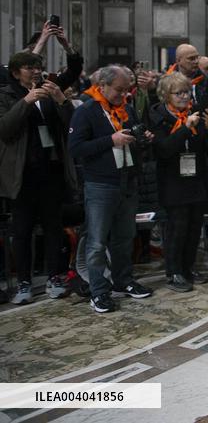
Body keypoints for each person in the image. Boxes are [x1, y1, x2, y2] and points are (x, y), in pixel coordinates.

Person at [69, 65, 155, 314]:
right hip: (101, 184)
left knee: (124, 237)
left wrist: (143, 138)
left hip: (127, 180)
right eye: (119, 90)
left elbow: (133, 138)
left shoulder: (126, 109)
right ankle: (98, 291)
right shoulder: (87, 111)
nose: (123, 95)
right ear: (103, 86)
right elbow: (76, 149)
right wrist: (110, 140)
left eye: (126, 90)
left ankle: (123, 280)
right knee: (96, 241)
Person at [0, 52, 78, 304]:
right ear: (15, 72)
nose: (35, 71)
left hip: (51, 171)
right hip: (22, 175)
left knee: (53, 229)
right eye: (28, 68)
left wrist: (62, 101)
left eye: (38, 67)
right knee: (21, 231)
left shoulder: (49, 92)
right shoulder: (7, 95)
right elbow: (5, 129)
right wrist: (26, 101)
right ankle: (24, 282)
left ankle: (54, 276)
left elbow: (71, 128)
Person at [150, 73, 208, 291]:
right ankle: (174, 272)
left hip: (196, 179)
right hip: (173, 182)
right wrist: (184, 128)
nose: (183, 97)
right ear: (165, 95)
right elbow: (164, 149)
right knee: (177, 229)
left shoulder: (194, 113)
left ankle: (189, 267)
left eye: (186, 92)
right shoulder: (158, 116)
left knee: (193, 228)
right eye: (178, 93)